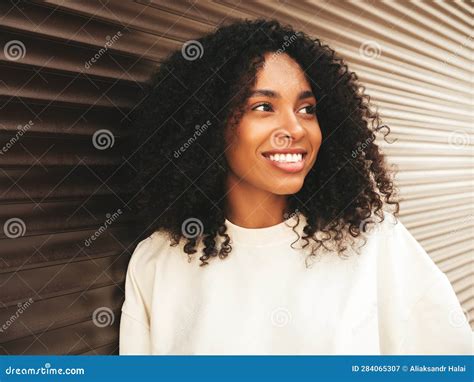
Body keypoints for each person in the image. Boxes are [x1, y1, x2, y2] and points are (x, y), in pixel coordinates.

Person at [119, 18, 472, 355]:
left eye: (307, 109)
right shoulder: (156, 264)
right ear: (209, 125)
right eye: (263, 106)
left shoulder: (371, 242)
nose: (296, 128)